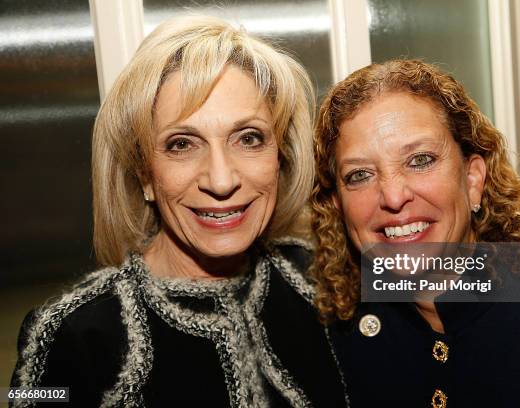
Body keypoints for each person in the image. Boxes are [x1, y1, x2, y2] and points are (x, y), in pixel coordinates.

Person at [10, 15, 348, 408]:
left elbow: (430, 277)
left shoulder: (326, 274)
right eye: (182, 144)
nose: (221, 181)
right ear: (145, 175)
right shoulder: (65, 333)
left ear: (280, 158)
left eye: (249, 138)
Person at [310, 59, 520, 407]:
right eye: (360, 175)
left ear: (472, 180)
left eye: (420, 160)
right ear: (337, 205)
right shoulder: (335, 334)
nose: (393, 197)